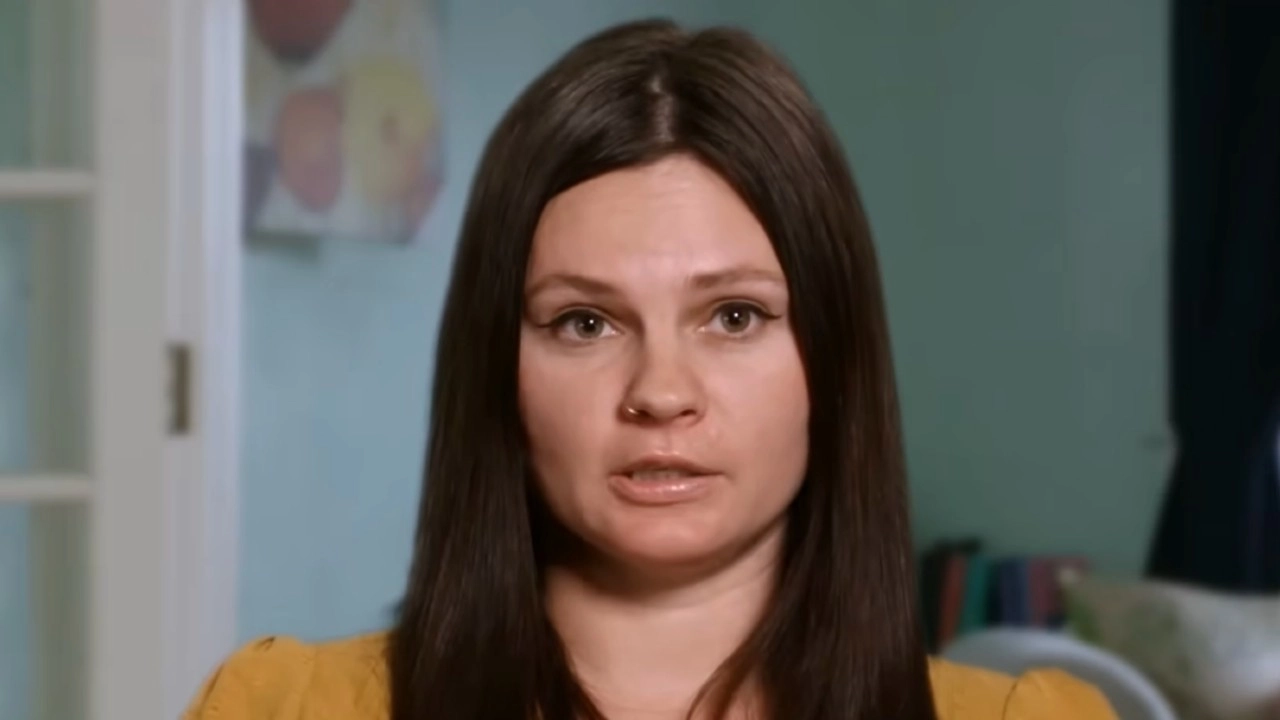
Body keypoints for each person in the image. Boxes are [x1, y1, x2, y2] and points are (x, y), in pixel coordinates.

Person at [185, 19, 1116, 720]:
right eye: (585, 322)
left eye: (735, 316)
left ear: (834, 361)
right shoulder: (282, 708)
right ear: (498, 370)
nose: (661, 393)